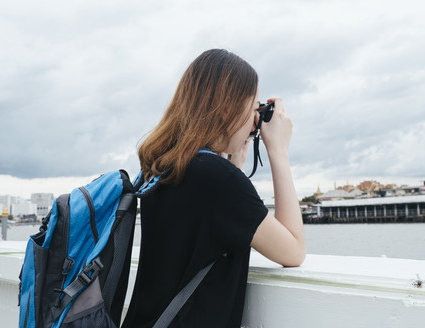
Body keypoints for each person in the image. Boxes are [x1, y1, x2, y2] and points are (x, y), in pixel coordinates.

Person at [122, 49, 305, 328]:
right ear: (227, 107)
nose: (256, 120)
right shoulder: (219, 181)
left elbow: (204, 235)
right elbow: (293, 251)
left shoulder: (162, 167)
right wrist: (278, 151)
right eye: (252, 106)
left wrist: (234, 167)